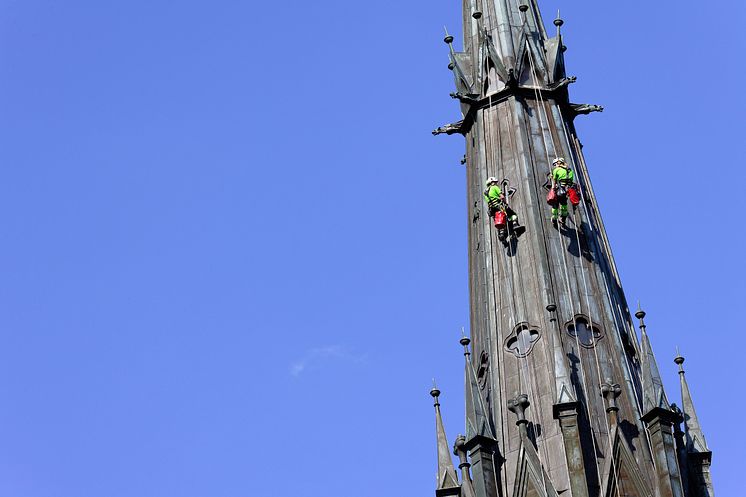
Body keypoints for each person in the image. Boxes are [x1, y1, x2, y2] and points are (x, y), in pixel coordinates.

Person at [484, 177, 525, 242]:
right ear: (492, 183)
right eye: (495, 182)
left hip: (493, 210)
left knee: (500, 220)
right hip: (499, 206)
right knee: (512, 214)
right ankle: (515, 225)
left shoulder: (485, 193)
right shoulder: (494, 187)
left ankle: (502, 234)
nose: (496, 183)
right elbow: (502, 197)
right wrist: (505, 203)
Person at [550, 157, 575, 226]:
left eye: (555, 164)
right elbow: (571, 181)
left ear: (557, 163)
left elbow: (554, 181)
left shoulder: (556, 170)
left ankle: (554, 218)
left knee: (555, 205)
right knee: (564, 204)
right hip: (566, 191)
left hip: (559, 190)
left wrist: (553, 189)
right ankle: (563, 218)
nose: (554, 166)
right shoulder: (570, 171)